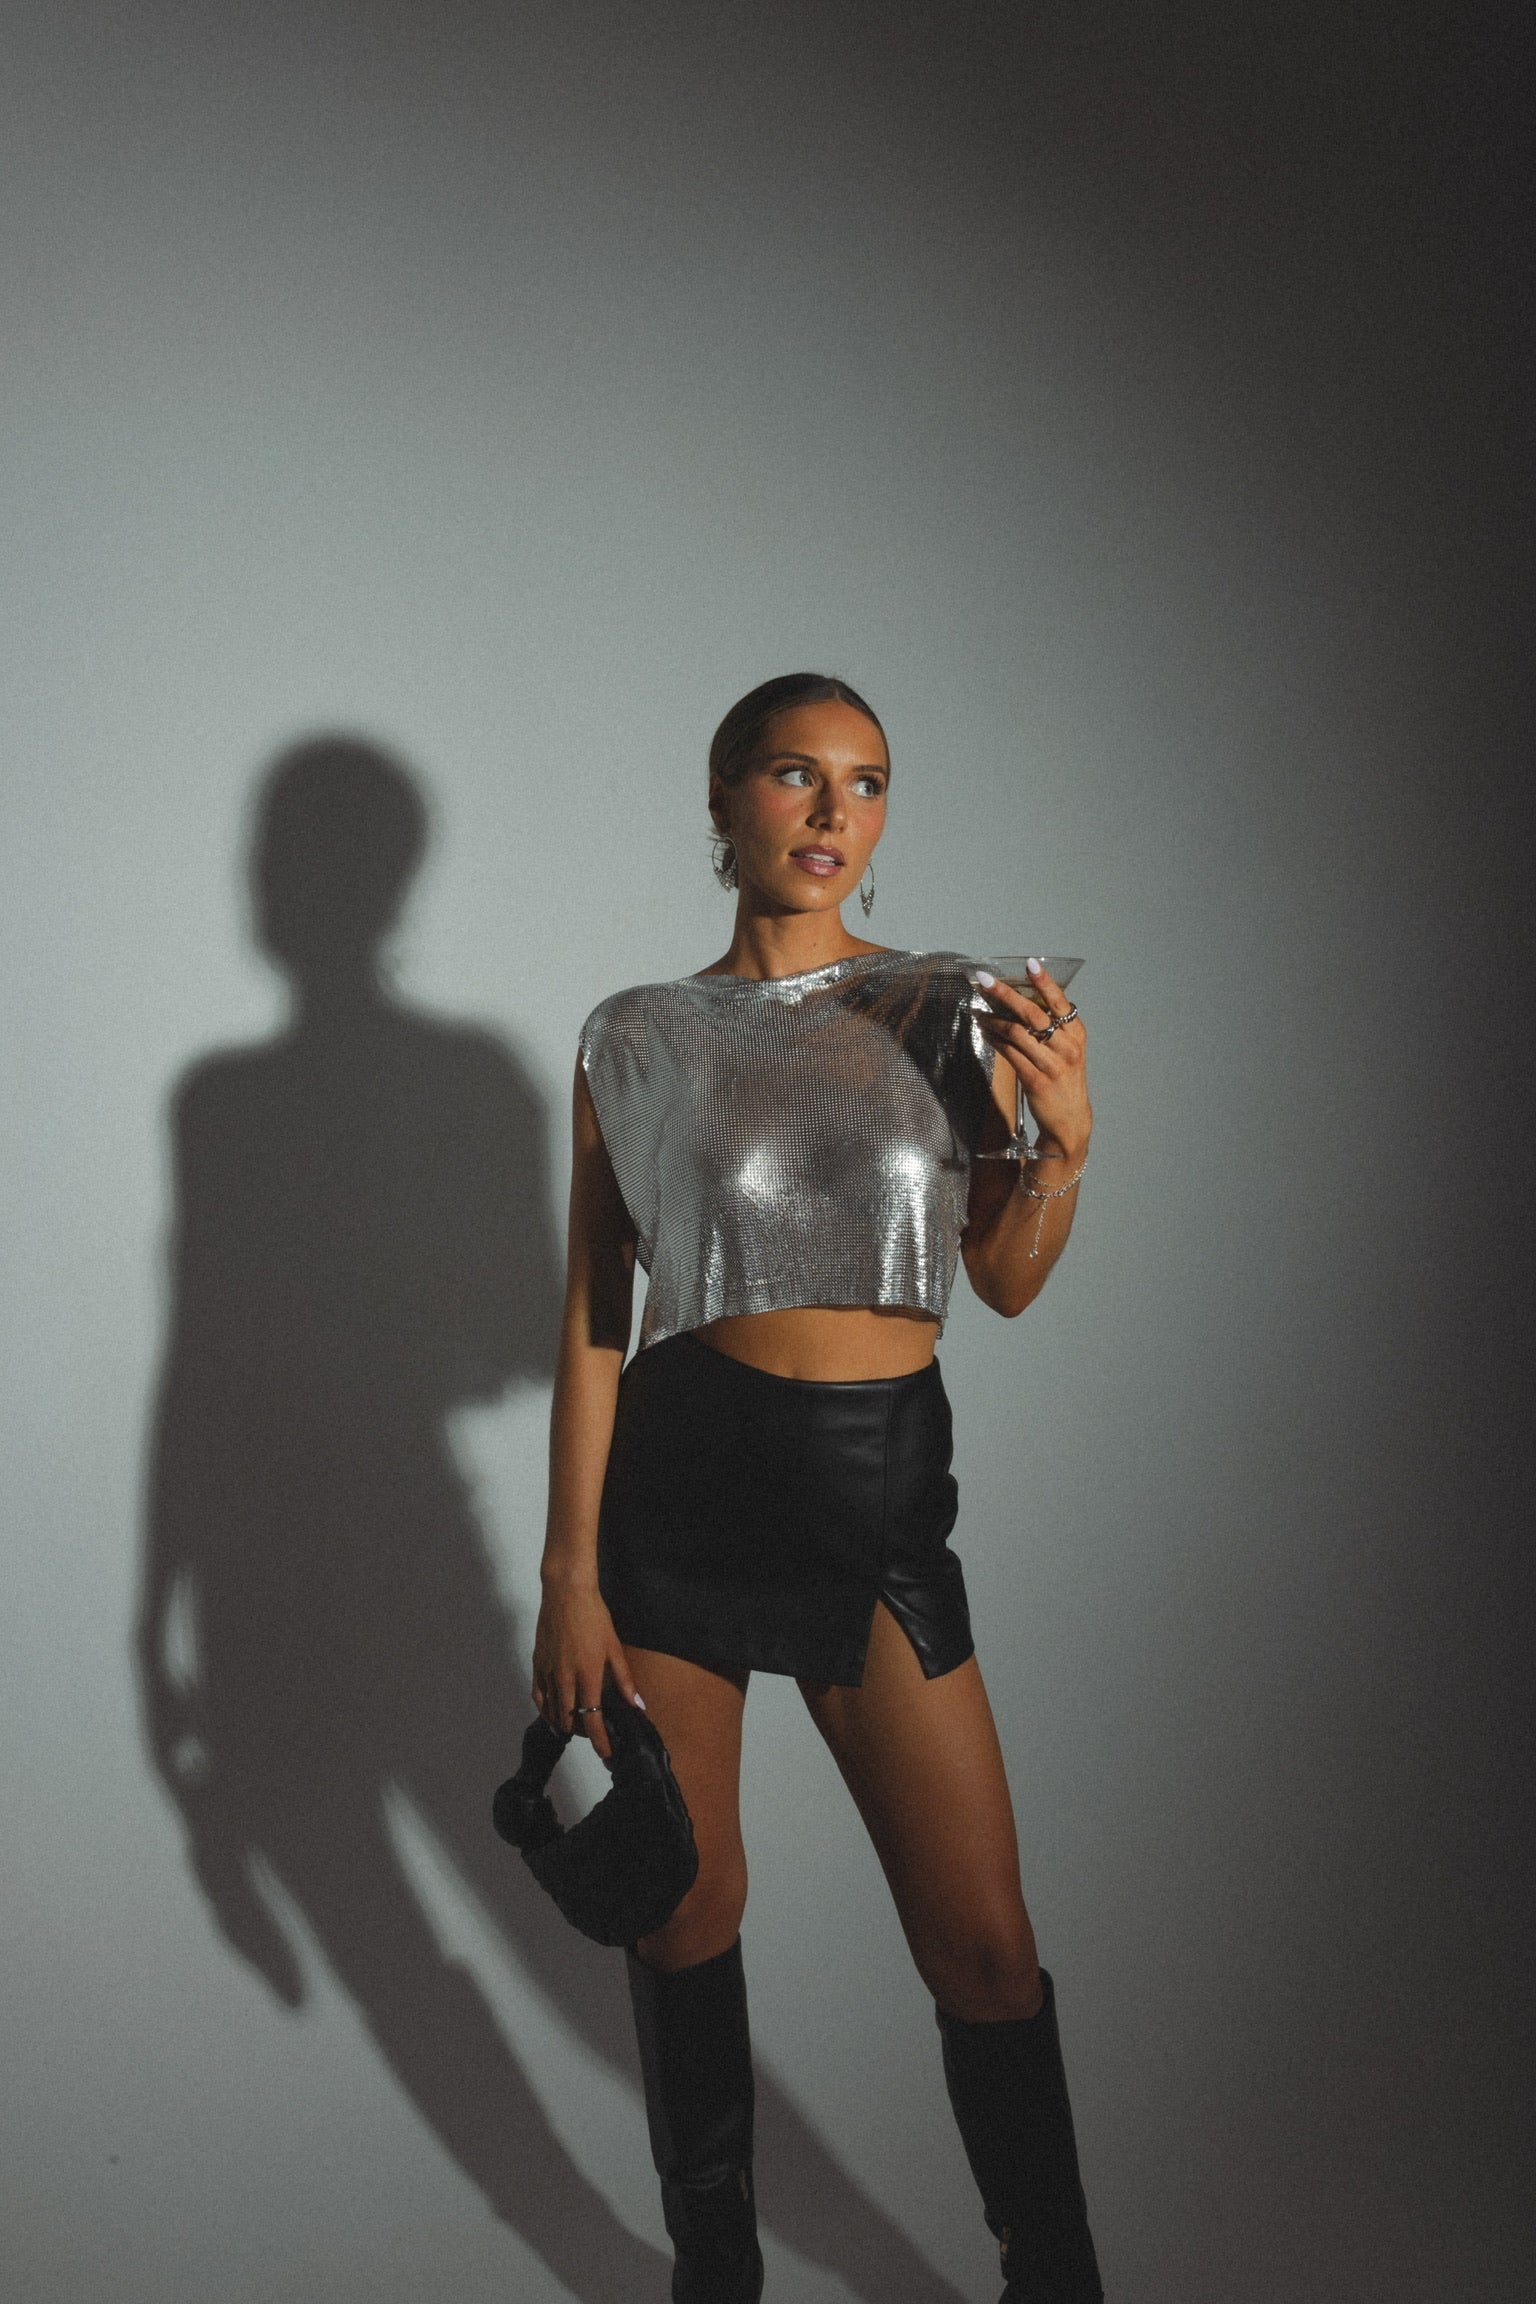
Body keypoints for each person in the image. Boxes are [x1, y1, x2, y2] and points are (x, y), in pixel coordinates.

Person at [531, 672, 1102, 2303]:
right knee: (684, 1905)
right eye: (796, 774)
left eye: (868, 781)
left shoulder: (945, 1007)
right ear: (725, 799)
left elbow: (1005, 1280)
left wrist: (1063, 1146)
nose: (836, 812)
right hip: (682, 1492)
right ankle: (716, 2274)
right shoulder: (636, 1033)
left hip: (875, 1496)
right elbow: (594, 1316)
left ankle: (1056, 2279)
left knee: (983, 1947)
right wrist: (569, 1580)